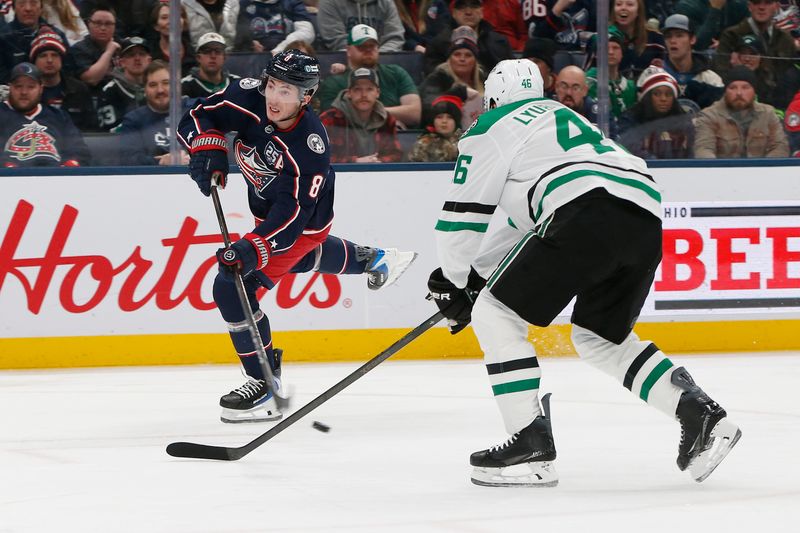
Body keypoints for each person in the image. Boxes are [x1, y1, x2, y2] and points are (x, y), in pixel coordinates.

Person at [426, 58, 742, 487]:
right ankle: (700, 414)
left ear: (494, 98)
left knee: (493, 313)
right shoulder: (564, 119)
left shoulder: (493, 125)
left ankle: (529, 446)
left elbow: (461, 220)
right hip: (643, 216)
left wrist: (456, 281)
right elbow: (526, 222)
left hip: (583, 210)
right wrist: (473, 276)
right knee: (600, 338)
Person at [176, 50, 417, 423]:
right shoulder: (248, 96)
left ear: (306, 97)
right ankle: (375, 259)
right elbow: (196, 115)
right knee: (302, 259)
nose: (273, 97)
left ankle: (264, 383)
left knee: (233, 286)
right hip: (267, 212)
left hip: (300, 225)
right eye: (272, 85)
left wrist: (252, 248)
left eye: (286, 91)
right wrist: (206, 146)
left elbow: (290, 220)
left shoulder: (309, 146)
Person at [316, 24, 421, 127]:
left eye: (372, 46)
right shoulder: (334, 82)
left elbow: (415, 114)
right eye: (362, 46)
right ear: (348, 50)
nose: (368, 50)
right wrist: (389, 119)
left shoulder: (396, 73)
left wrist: (370, 113)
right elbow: (332, 120)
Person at [0, 62, 90, 166]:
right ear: (10, 88)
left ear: (41, 89)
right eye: (18, 86)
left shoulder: (58, 116)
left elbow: (79, 150)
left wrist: (71, 164)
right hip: (12, 174)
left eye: (31, 87)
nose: (24, 92)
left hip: (55, 174)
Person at [693, 65, 789, 157]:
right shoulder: (709, 116)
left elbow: (780, 147)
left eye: (745, 87)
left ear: (754, 91)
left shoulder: (768, 114)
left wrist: (765, 167)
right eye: (733, 88)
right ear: (725, 91)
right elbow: (703, 150)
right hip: (723, 168)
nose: (739, 93)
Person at [117, 60, 193, 166]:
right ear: (145, 89)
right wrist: (161, 162)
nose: (160, 90)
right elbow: (128, 160)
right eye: (153, 85)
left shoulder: (195, 113)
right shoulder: (133, 120)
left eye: (166, 83)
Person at [319, 67, 403, 162]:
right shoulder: (329, 119)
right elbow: (318, 157)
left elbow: (396, 154)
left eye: (369, 89)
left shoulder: (386, 119)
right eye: (357, 89)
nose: (364, 95)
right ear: (349, 93)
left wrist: (377, 161)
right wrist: (355, 161)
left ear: (378, 93)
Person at [617, 66, 695, 158]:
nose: (663, 99)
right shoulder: (630, 119)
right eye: (657, 94)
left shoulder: (684, 122)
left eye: (668, 94)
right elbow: (630, 148)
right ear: (647, 97)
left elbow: (691, 154)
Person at [418, 25, 486, 128]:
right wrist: (457, 94)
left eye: (468, 55)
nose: (462, 59)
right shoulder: (437, 79)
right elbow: (429, 108)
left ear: (475, 61)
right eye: (457, 54)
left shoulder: (485, 80)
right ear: (449, 59)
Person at [30, 24, 95, 131]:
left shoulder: (79, 90)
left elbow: (92, 131)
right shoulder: (27, 92)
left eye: (54, 55)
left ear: (62, 59)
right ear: (34, 61)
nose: (49, 60)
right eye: (43, 56)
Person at [423, 0, 513, 75]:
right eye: (461, 7)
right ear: (453, 13)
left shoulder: (500, 41)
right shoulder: (438, 44)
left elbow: (514, 73)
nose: (468, 12)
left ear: (482, 12)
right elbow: (433, 77)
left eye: (474, 6)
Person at [714, 0, 795, 81]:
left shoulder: (785, 38)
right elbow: (720, 72)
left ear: (777, 6)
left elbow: (792, 74)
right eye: (756, 2)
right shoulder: (731, 35)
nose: (761, 7)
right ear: (749, 6)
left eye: (768, 3)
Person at [661, 14, 724, 111]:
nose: (672, 41)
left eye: (679, 35)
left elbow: (718, 117)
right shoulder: (654, 76)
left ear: (692, 39)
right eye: (668, 36)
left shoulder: (712, 81)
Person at [0, 0, 71, 83]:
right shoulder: (3, 38)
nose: (28, 8)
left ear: (41, 7)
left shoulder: (56, 35)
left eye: (33, 3)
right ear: (14, 8)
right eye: (22, 3)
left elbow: (69, 68)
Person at [96, 36, 152, 131]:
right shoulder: (109, 91)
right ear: (121, 62)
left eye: (142, 54)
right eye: (131, 55)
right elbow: (109, 131)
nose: (137, 58)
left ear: (149, 60)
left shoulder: (158, 88)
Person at [586, 26, 636, 120]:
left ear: (622, 53)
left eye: (615, 48)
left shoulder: (630, 87)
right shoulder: (587, 83)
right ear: (596, 54)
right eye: (605, 48)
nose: (611, 52)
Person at [317, 0, 405, 52]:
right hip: (341, 63)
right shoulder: (329, 2)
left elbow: (395, 37)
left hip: (382, 61)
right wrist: (364, 55)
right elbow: (335, 39)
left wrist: (377, 56)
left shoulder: (386, 2)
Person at [233, 0, 315, 54]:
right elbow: (233, 31)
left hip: (286, 55)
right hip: (252, 58)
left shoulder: (292, 2)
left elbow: (307, 32)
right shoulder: (242, 4)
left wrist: (282, 48)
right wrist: (248, 42)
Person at [609, 0, 665, 79]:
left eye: (630, 4)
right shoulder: (603, 39)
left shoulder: (656, 39)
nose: (623, 8)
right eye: (618, 4)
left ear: (639, 11)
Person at [181, 32, 240, 99]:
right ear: (198, 58)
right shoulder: (183, 86)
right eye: (207, 51)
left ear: (224, 57)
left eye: (218, 51)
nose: (213, 56)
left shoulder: (237, 83)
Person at [70, 7, 118, 88]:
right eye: (98, 23)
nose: (103, 28)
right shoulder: (79, 49)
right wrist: (109, 52)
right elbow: (91, 79)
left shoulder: (122, 45)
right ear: (89, 24)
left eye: (108, 24)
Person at [407, 93, 463, 162]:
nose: (444, 121)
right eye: (439, 117)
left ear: (456, 121)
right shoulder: (423, 144)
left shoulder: (465, 142)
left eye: (449, 117)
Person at [674, 0, 748, 50]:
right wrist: (715, 9)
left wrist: (725, 44)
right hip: (699, 58)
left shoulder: (739, 3)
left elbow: (749, 34)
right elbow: (698, 44)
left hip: (731, 53)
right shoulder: (687, 5)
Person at [525, 0, 597, 50]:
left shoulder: (592, 3)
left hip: (582, 58)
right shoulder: (537, 2)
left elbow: (596, 36)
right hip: (548, 57)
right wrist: (557, 10)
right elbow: (536, 41)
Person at [148, 1, 196, 76]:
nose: (172, 21)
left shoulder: (194, 54)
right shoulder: (149, 55)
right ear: (156, 26)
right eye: (164, 17)